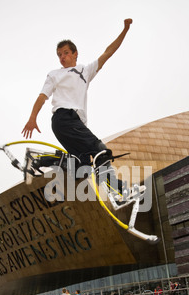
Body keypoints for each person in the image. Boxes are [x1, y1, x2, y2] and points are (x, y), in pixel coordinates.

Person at [21, 19, 134, 195]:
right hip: (64, 119)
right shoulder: (54, 75)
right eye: (59, 54)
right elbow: (42, 97)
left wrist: (125, 30)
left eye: (65, 53)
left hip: (74, 124)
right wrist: (32, 118)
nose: (62, 57)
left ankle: (38, 159)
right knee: (100, 150)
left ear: (75, 54)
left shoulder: (85, 71)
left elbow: (108, 52)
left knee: (81, 169)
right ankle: (120, 190)